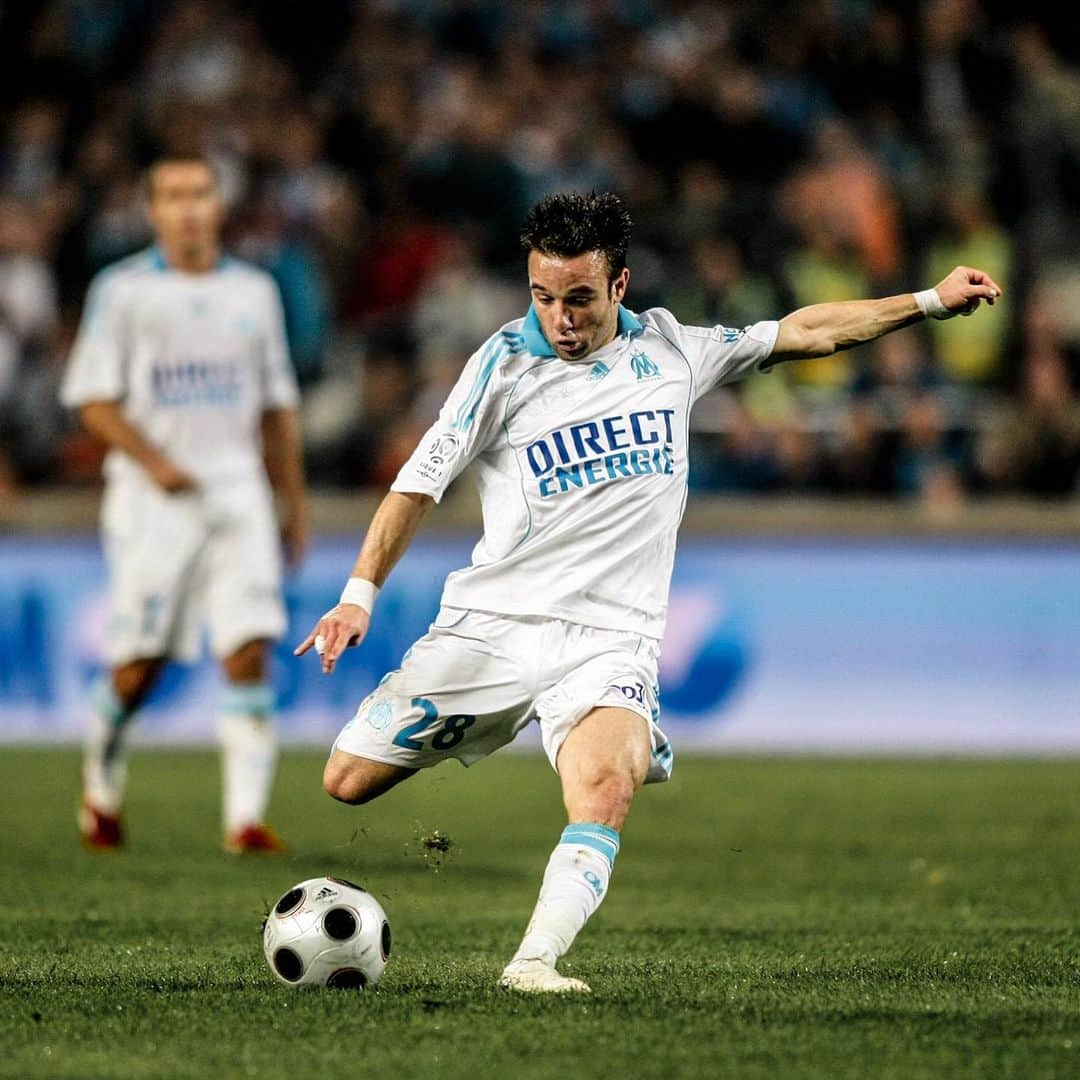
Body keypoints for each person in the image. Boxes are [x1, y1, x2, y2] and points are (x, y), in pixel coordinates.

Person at [296, 191, 1000, 992]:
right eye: (543, 297)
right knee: (345, 781)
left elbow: (804, 330)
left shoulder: (672, 349)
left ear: (620, 287)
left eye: (579, 299)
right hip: (495, 626)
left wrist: (926, 303)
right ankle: (484, 722)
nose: (559, 318)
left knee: (605, 785)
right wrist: (360, 594)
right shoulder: (501, 365)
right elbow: (415, 487)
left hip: (609, 640)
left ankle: (533, 963)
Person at [61, 155, 308, 853]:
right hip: (153, 500)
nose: (189, 207)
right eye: (174, 195)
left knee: (249, 647)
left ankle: (245, 821)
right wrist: (154, 462)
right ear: (153, 210)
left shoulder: (254, 292)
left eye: (200, 193)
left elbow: (276, 409)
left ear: (218, 204)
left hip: (238, 492)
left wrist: (292, 503)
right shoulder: (124, 290)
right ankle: (101, 790)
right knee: (140, 666)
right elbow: (92, 399)